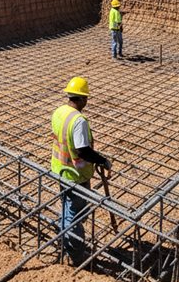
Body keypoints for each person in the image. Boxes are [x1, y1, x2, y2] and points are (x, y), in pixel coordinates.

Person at [50, 77, 112, 266]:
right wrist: (103, 160)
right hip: (75, 175)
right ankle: (76, 255)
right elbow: (82, 149)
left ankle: (64, 240)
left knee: (67, 209)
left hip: (59, 170)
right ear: (82, 99)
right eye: (86, 98)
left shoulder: (59, 112)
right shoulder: (79, 121)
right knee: (74, 215)